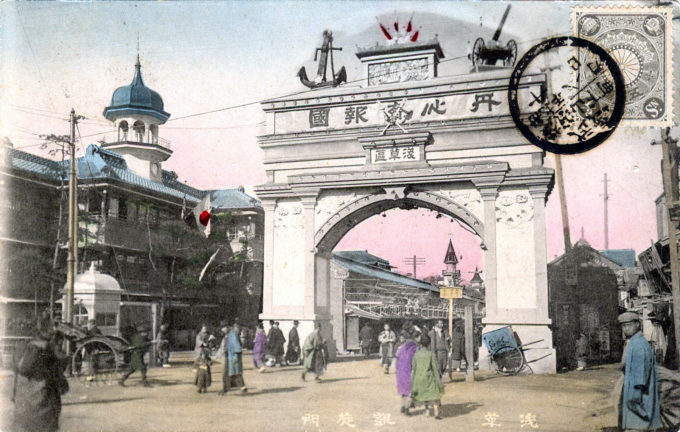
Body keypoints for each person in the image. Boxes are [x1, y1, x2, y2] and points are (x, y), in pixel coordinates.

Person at [12, 314, 69, 432]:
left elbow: (15, 381)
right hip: (45, 412)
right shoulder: (48, 352)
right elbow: (63, 387)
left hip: (22, 410)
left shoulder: (20, 348)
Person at [617, 311, 661, 431]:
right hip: (634, 393)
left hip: (638, 394)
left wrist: (636, 393)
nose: (626, 329)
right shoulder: (633, 342)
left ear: (637, 324)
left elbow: (641, 371)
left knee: (637, 426)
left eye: (629, 325)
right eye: (623, 326)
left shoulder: (639, 344)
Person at [411, 333, 444, 420]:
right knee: (435, 394)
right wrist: (439, 380)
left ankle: (427, 411)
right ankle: (436, 413)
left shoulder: (416, 354)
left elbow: (413, 368)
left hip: (419, 378)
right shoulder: (430, 354)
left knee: (425, 395)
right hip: (429, 377)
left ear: (420, 343)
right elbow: (435, 368)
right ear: (429, 343)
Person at [395, 329, 419, 416]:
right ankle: (407, 409)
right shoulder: (414, 347)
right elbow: (415, 361)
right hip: (409, 371)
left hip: (400, 371)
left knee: (403, 391)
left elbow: (397, 359)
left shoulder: (402, 347)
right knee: (410, 391)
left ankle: (403, 406)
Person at [219, 323, 247, 395]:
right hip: (229, 356)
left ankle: (226, 389)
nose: (222, 330)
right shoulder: (229, 334)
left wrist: (235, 355)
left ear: (227, 327)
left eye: (223, 328)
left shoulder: (232, 334)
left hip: (231, 356)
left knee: (228, 372)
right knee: (233, 372)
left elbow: (237, 347)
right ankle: (241, 387)